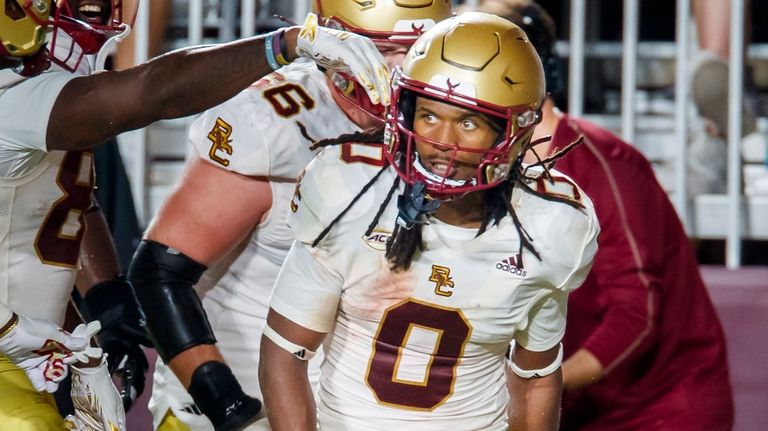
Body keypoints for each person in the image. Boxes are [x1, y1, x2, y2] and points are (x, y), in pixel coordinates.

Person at [0, 0, 390, 429]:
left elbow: (63, 200)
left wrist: (109, 308)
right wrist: (286, 43)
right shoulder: (17, 100)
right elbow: (155, 91)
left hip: (32, 349)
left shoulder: (47, 90)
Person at [258, 12, 600, 430]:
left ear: (516, 135)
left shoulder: (549, 226)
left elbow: (535, 378)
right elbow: (285, 353)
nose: (442, 143)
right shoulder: (349, 190)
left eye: (469, 123)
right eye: (430, 115)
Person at [126, 0, 454, 429]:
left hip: (351, 402)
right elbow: (160, 272)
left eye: (417, 49)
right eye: (381, 49)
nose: (400, 69)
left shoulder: (445, 125)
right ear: (336, 41)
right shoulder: (272, 124)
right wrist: (226, 404)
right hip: (247, 393)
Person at [472, 1, 733, 429]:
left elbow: (635, 315)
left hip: (659, 411)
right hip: (580, 407)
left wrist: (540, 386)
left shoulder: (604, 163)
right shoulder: (483, 171)